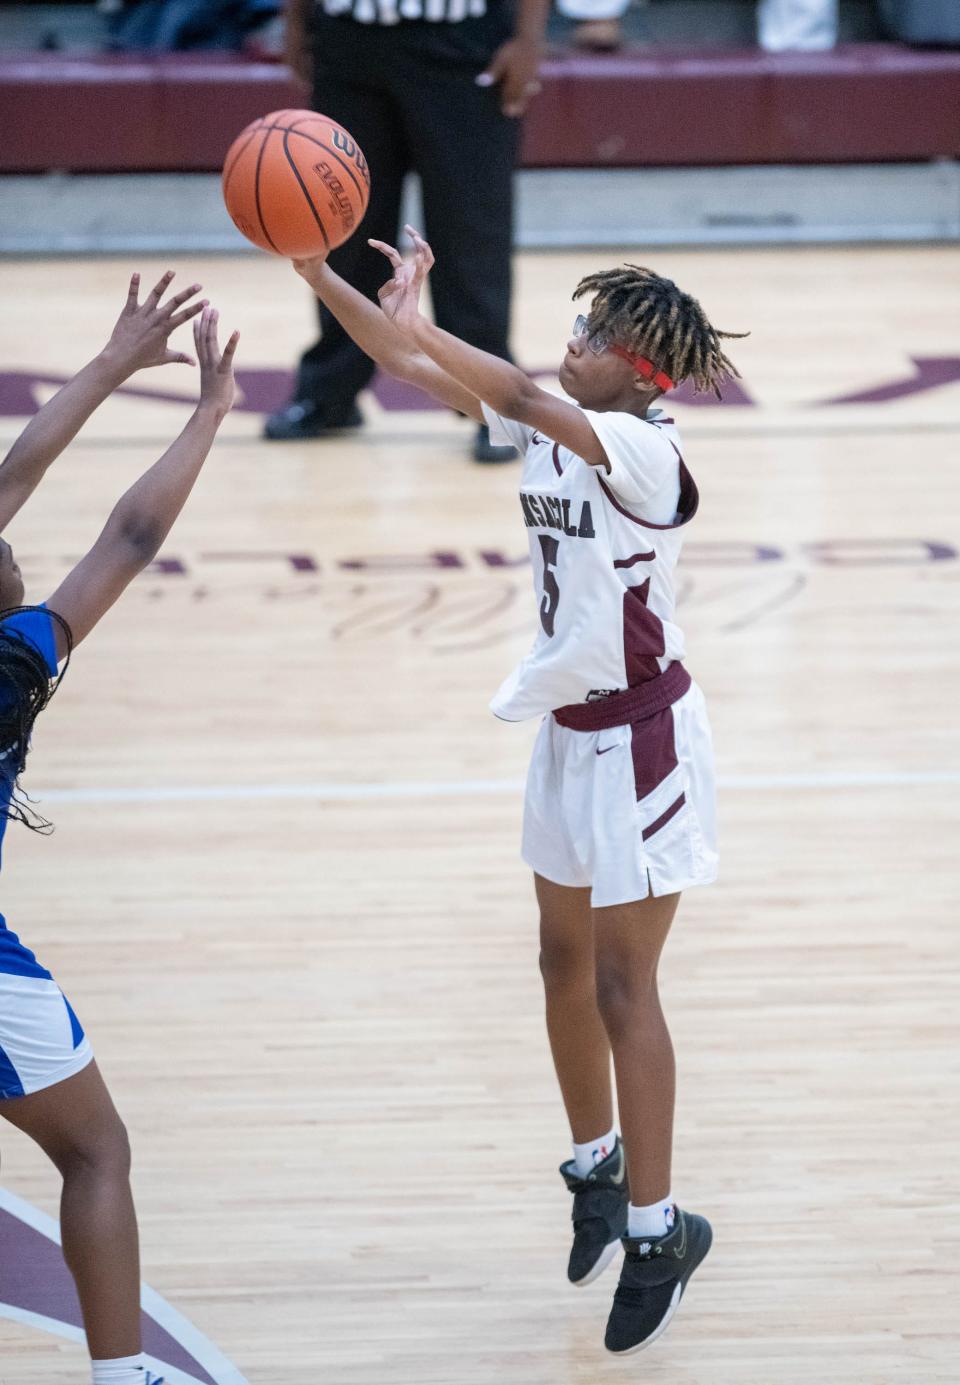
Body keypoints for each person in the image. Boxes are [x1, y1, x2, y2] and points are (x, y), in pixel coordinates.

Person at [290, 228, 746, 1354]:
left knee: (625, 986)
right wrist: (320, 275)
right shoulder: (556, 419)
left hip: (643, 742)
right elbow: (411, 372)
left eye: (597, 334)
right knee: (556, 963)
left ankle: (657, 1231)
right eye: (580, 322)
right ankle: (596, 1167)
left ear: (644, 371)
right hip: (564, 734)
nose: (575, 337)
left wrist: (427, 319)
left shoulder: (641, 450)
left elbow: (512, 392)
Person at [0, 275, 238, 1385]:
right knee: (97, 1149)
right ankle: (121, 1374)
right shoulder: (14, 661)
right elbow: (132, 534)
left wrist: (105, 366)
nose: (16, 550)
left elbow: (12, 477)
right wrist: (204, 412)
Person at [265, 0, 549, 463]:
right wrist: (295, 21)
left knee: (471, 234)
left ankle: (492, 405)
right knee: (345, 230)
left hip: (465, 39)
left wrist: (530, 37)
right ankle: (329, 391)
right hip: (348, 36)